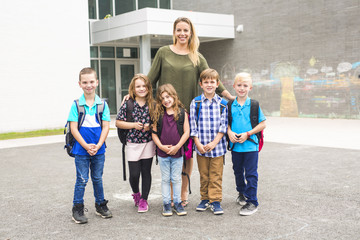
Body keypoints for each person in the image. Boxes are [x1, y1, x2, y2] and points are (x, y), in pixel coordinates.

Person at [147, 17, 235, 206]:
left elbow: (211, 79)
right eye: (179, 30)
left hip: (187, 115)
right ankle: (171, 194)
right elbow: (150, 79)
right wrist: (132, 95)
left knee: (186, 155)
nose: (182, 34)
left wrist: (230, 96)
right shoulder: (163, 52)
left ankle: (184, 191)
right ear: (174, 32)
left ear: (191, 32)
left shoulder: (197, 56)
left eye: (186, 30)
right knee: (168, 154)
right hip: (166, 114)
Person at [68, 67, 112, 224]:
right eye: (85, 82)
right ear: (79, 84)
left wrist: (98, 144)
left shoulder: (102, 105)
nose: (89, 85)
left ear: (97, 82)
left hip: (99, 149)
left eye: (92, 81)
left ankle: (101, 205)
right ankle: (77, 209)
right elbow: (73, 128)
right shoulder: (76, 105)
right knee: (81, 179)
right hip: (81, 149)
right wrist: (87, 146)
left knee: (97, 178)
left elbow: (106, 126)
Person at [227, 72, 266, 216]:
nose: (242, 88)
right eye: (239, 85)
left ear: (250, 87)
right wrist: (229, 132)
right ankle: (242, 193)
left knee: (250, 173)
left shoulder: (254, 104)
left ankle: (252, 201)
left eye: (245, 85)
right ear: (234, 86)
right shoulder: (230, 104)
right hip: (236, 146)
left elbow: (263, 124)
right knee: (237, 171)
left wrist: (248, 134)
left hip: (251, 145)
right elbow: (226, 123)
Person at [189, 69, 228, 215]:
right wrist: (198, 143)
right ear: (201, 84)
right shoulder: (196, 103)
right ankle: (205, 198)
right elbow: (193, 125)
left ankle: (215, 200)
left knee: (216, 174)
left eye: (212, 82)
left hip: (217, 148)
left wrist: (214, 143)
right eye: (206, 82)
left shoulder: (223, 104)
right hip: (201, 147)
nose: (209, 85)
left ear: (217, 84)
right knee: (204, 174)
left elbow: (223, 127)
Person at [116, 74, 155, 213]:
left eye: (144, 86)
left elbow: (157, 124)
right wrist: (133, 125)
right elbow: (118, 122)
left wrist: (148, 127)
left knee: (146, 172)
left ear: (148, 88)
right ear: (133, 88)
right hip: (132, 143)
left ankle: (144, 199)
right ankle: (136, 194)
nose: (141, 88)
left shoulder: (153, 104)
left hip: (148, 143)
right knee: (134, 174)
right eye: (138, 86)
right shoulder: (128, 103)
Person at [152, 84, 190, 216]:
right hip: (163, 153)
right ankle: (167, 203)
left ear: (174, 96)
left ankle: (178, 203)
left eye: (168, 97)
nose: (165, 100)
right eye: (162, 98)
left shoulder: (182, 113)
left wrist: (178, 146)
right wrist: (161, 146)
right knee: (165, 179)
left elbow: (187, 132)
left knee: (176, 179)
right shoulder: (159, 114)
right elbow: (154, 133)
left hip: (177, 152)